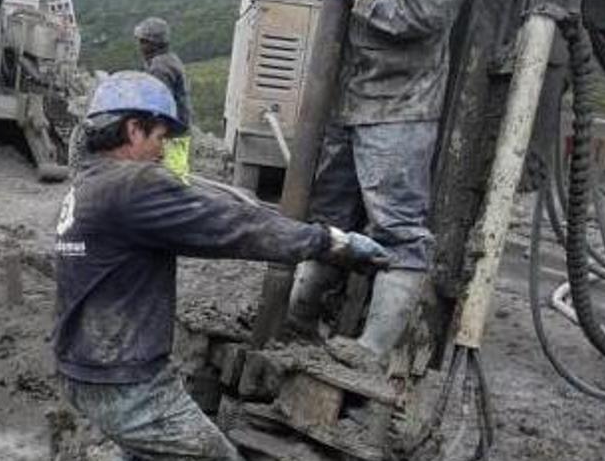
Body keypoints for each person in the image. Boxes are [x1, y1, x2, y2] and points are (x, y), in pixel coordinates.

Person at [54, 71, 390, 460]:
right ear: (133, 129)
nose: (163, 151)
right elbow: (234, 227)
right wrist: (330, 242)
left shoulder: (87, 185)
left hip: (84, 367)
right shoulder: (132, 185)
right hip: (124, 381)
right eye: (160, 137)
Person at [286, 0, 483, 366]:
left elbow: (433, 9)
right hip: (349, 92)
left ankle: (371, 351)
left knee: (397, 228)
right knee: (329, 215)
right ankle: (300, 319)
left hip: (399, 99)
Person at [134, 17, 193, 183]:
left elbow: (157, 105)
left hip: (171, 133)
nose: (140, 46)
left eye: (143, 41)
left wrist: (150, 132)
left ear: (153, 43)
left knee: (173, 178)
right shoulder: (168, 59)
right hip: (177, 129)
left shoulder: (160, 67)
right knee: (176, 173)